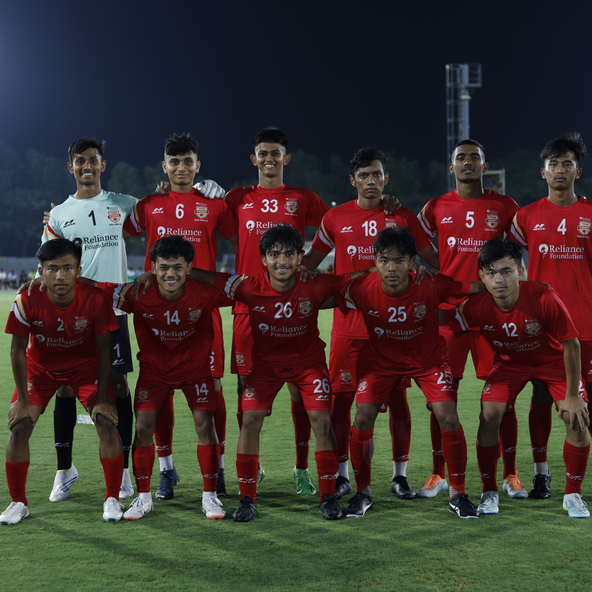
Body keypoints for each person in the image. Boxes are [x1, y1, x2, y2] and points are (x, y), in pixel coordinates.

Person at [40, 137, 224, 503]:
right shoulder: (74, 212)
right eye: (81, 161)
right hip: (99, 311)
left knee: (142, 387)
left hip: (146, 311)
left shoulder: (128, 205)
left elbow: (174, 212)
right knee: (71, 386)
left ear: (103, 165)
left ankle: (152, 472)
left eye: (93, 160)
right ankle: (74, 469)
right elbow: (49, 260)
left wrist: (219, 192)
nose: (87, 166)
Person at [189, 224, 356, 521]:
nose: (282, 261)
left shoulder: (316, 284)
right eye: (274, 254)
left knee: (321, 419)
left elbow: (353, 280)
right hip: (265, 368)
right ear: (263, 259)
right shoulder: (248, 286)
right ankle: (247, 498)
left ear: (300, 257)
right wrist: (180, 270)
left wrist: (406, 271)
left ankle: (328, 496)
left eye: (289, 254)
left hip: (308, 366)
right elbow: (211, 277)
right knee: (250, 420)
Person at [302, 147, 438, 500]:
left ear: (386, 178)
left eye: (377, 174)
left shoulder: (403, 217)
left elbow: (433, 260)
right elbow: (310, 263)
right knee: (343, 403)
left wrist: (423, 270)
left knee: (397, 402)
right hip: (349, 326)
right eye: (363, 175)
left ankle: (400, 476)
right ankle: (344, 474)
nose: (371, 181)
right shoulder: (334, 219)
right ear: (353, 180)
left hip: (393, 327)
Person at [337, 226, 482, 519]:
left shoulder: (432, 284)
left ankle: (458, 494)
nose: (392, 267)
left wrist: (512, 284)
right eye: (384, 260)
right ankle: (362, 493)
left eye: (400, 260)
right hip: (380, 362)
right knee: (362, 417)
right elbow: (322, 291)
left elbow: (472, 288)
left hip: (429, 362)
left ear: (413, 262)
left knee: (448, 416)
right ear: (375, 261)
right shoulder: (361, 287)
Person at [124, 133, 236, 500]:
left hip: (201, 310)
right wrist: (53, 224)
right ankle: (166, 469)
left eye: (188, 161)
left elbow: (247, 234)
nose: (182, 168)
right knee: (160, 390)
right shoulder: (149, 204)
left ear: (198, 166)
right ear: (165, 167)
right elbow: (112, 232)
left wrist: (229, 197)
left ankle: (215, 468)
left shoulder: (213, 205)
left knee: (213, 387)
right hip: (156, 310)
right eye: (175, 162)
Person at [88, 236, 231, 520]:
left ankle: (210, 496)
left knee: (206, 425)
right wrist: (61, 276)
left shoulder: (204, 292)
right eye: (163, 267)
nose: (170, 274)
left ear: (189, 267)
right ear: (153, 267)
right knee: (142, 428)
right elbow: (100, 289)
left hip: (195, 370)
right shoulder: (137, 293)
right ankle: (143, 498)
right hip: (155, 371)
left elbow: (244, 284)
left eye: (178, 267)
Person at [445, 238, 590, 518]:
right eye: (491, 273)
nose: (499, 279)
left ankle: (573, 494)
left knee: (577, 418)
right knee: (488, 416)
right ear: (481, 277)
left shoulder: (544, 297)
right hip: (510, 365)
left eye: (506, 271)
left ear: (521, 271)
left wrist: (572, 396)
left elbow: (571, 344)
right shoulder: (474, 307)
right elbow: (441, 321)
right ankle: (489, 492)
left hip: (553, 363)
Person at [224, 127, 331, 496]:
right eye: (262, 153)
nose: (269, 159)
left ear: (286, 158)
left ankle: (303, 469)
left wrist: (311, 263)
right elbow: (203, 222)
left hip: (292, 305)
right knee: (244, 387)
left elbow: (336, 227)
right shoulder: (237, 197)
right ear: (253, 159)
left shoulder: (302, 198)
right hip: (248, 306)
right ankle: (254, 465)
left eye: (276, 153)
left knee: (300, 391)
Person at [417, 139, 523, 499]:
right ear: (452, 167)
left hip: (493, 316)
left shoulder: (504, 206)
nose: (466, 163)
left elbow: (522, 244)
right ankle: (437, 473)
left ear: (484, 165)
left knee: (502, 399)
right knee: (443, 397)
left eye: (473, 158)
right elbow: (416, 240)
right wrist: (443, 271)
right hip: (449, 316)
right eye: (460, 158)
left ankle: (510, 474)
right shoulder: (436, 206)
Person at [0, 239, 124, 525]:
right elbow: (17, 350)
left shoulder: (95, 299)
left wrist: (103, 398)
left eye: (67, 268)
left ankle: (112, 498)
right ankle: (18, 502)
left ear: (78, 270)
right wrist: (22, 399)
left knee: (105, 421)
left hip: (85, 368)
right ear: (40, 272)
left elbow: (105, 349)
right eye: (52, 269)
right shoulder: (26, 299)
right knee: (19, 426)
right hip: (40, 369)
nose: (59, 276)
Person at [510, 132, 592, 499]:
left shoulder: (590, 214)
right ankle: (542, 474)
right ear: (542, 172)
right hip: (542, 330)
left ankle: (575, 484)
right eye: (554, 164)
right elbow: (507, 266)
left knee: (584, 410)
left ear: (578, 170)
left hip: (587, 327)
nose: (560, 170)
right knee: (541, 399)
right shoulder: (525, 217)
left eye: (567, 164)